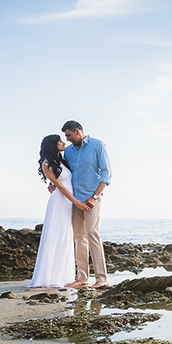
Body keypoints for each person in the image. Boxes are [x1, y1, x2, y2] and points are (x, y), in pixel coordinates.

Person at [28, 134, 91, 288]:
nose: (64, 142)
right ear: (53, 145)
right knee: (56, 236)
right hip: (59, 203)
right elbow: (61, 187)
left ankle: (64, 275)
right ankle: (51, 276)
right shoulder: (46, 164)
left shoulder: (62, 161)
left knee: (66, 236)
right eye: (60, 141)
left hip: (68, 201)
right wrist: (77, 203)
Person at [61, 120, 112, 288]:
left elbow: (106, 173)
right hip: (75, 200)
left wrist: (95, 196)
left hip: (92, 199)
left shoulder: (97, 145)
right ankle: (82, 278)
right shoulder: (68, 152)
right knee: (79, 238)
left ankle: (102, 278)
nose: (67, 139)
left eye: (68, 135)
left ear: (77, 131)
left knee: (92, 234)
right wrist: (54, 183)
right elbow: (63, 172)